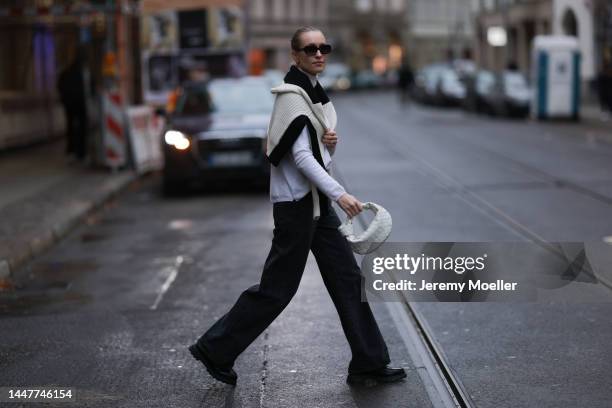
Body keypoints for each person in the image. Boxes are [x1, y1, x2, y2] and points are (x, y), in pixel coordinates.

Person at [189, 26, 406, 387]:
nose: (318, 54)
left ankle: (368, 361)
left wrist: (330, 147)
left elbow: (316, 156)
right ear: (295, 56)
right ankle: (215, 348)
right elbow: (301, 158)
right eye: (310, 49)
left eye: (324, 48)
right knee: (277, 289)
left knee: (348, 279)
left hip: (315, 204)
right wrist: (341, 194)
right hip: (297, 207)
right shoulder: (292, 97)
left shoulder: (312, 95)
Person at [57, 50, 88, 161]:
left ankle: (71, 149)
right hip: (80, 104)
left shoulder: (66, 72)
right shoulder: (83, 72)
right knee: (82, 127)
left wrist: (64, 99)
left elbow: (60, 85)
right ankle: (81, 151)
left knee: (70, 125)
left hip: (69, 104)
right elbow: (88, 88)